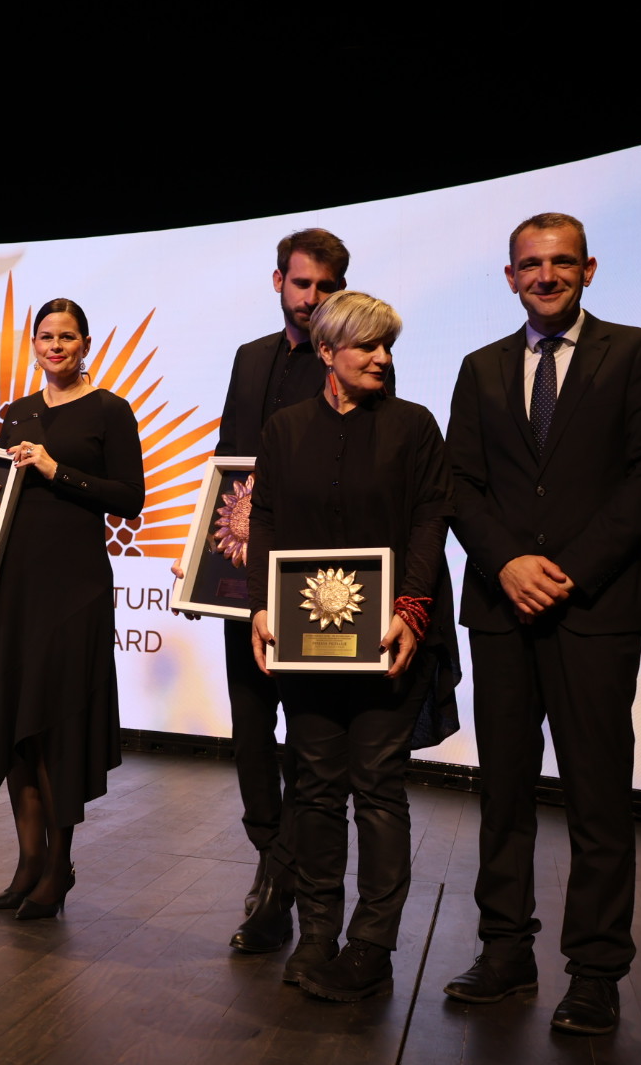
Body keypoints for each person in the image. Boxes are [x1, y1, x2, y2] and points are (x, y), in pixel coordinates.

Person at [443, 213, 641, 1036]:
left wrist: (568, 570)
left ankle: (596, 972)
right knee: (503, 792)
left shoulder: (638, 352)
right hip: (501, 608)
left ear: (589, 269)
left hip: (596, 609)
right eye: (531, 264)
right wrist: (508, 563)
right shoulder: (480, 367)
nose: (546, 276)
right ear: (510, 276)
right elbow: (459, 483)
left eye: (562, 262)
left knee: (597, 796)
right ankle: (505, 952)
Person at [247, 290, 451, 1002]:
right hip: (307, 646)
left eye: (387, 345)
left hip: (390, 641)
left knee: (377, 787)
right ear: (328, 352)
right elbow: (264, 519)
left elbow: (430, 520)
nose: (382, 358)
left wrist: (412, 608)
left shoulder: (413, 426)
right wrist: (261, 605)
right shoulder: (284, 429)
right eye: (368, 345)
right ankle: (316, 935)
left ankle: (371, 947)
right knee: (314, 789)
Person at [172, 228, 363, 954]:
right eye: (301, 283)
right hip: (244, 580)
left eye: (325, 287)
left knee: (311, 740)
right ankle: (272, 861)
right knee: (251, 733)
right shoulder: (250, 357)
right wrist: (203, 557)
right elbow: (230, 467)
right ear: (278, 281)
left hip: (316, 582)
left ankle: (285, 887)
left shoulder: (354, 359)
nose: (311, 298)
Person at [0, 298, 145, 919]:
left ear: (85, 344)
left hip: (74, 588)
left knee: (58, 723)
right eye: (45, 337)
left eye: (66, 337)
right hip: (13, 585)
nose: (55, 346)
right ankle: (28, 862)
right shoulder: (17, 413)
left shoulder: (110, 410)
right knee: (17, 723)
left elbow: (131, 499)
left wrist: (57, 469)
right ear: (34, 345)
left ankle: (59, 867)